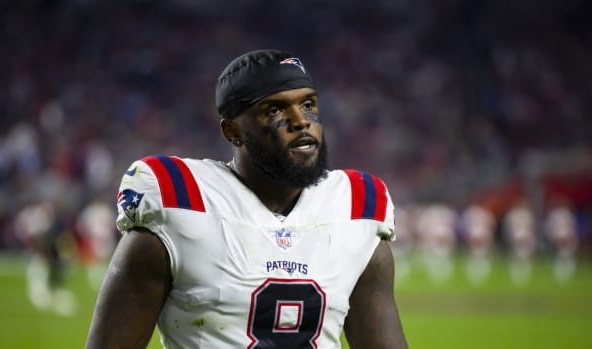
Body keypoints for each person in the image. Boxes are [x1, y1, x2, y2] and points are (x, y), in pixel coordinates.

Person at [85, 49, 408, 349]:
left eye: (308, 104)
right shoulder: (179, 204)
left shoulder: (355, 209)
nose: (300, 121)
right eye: (275, 109)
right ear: (232, 132)